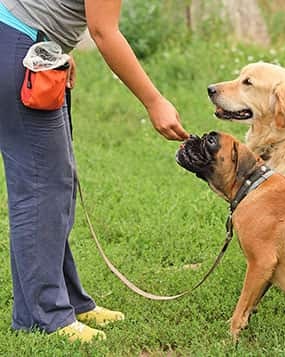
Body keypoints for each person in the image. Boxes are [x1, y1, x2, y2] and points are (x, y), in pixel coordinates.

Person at [0, 0, 189, 343]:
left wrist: (51, 45)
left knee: (56, 184)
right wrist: (154, 101)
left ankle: (67, 300)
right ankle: (44, 318)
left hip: (28, 43)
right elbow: (104, 32)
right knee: (42, 187)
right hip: (18, 45)